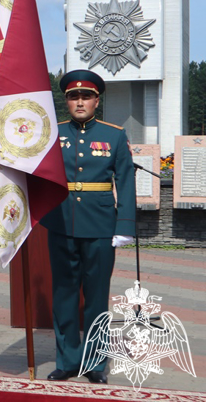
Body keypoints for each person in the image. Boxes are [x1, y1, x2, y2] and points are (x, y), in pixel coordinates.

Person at [41, 70, 136, 385]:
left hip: (99, 226)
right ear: (66, 101)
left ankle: (95, 363)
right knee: (64, 294)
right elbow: (37, 175)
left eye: (85, 96)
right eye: (73, 97)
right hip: (61, 221)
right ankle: (67, 360)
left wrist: (125, 225)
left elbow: (125, 181)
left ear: (97, 100)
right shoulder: (52, 133)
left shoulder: (114, 135)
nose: (79, 102)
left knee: (96, 296)